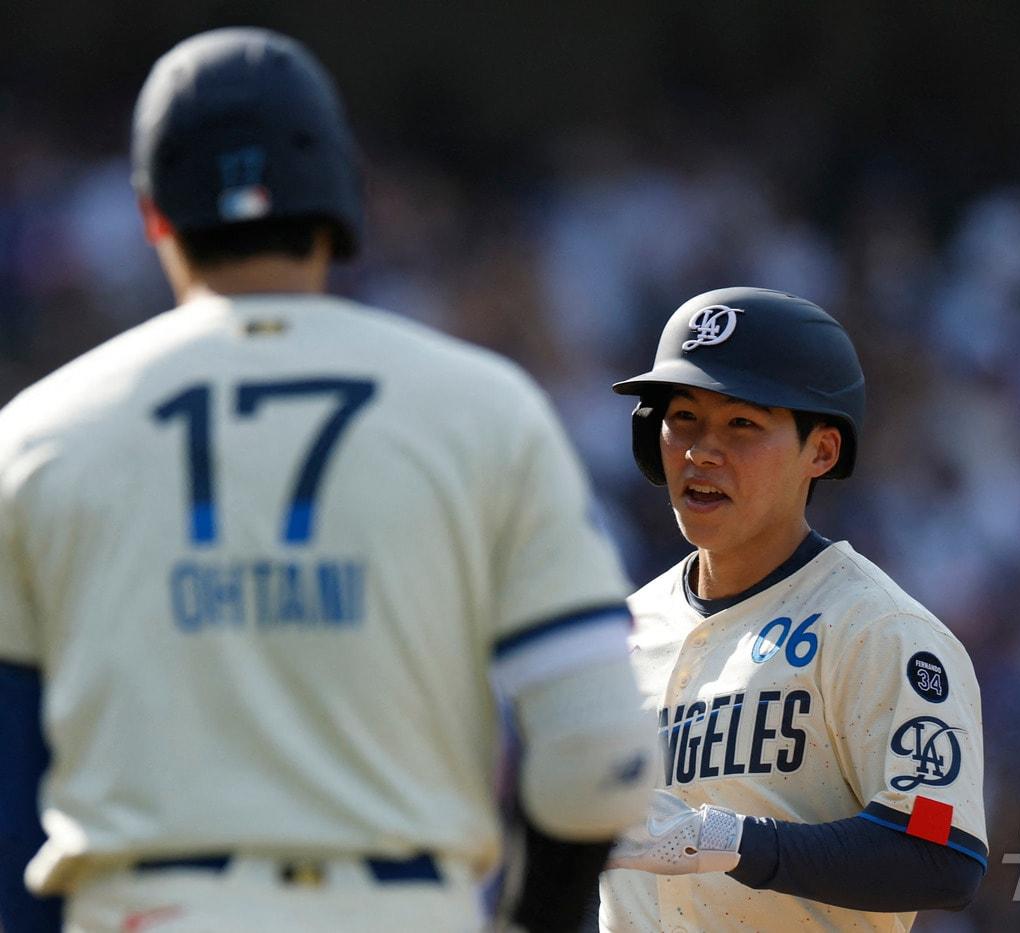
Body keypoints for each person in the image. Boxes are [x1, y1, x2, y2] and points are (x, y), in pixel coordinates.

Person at [0, 27, 655, 933]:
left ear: (154, 216)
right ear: (343, 204)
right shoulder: (487, 408)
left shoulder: (35, 433)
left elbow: (7, 789)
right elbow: (597, 757)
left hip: (143, 909)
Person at [598, 287, 987, 931]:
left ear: (822, 451)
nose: (700, 452)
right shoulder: (622, 633)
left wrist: (722, 839)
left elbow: (940, 851)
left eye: (742, 424)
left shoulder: (879, 631)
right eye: (684, 418)